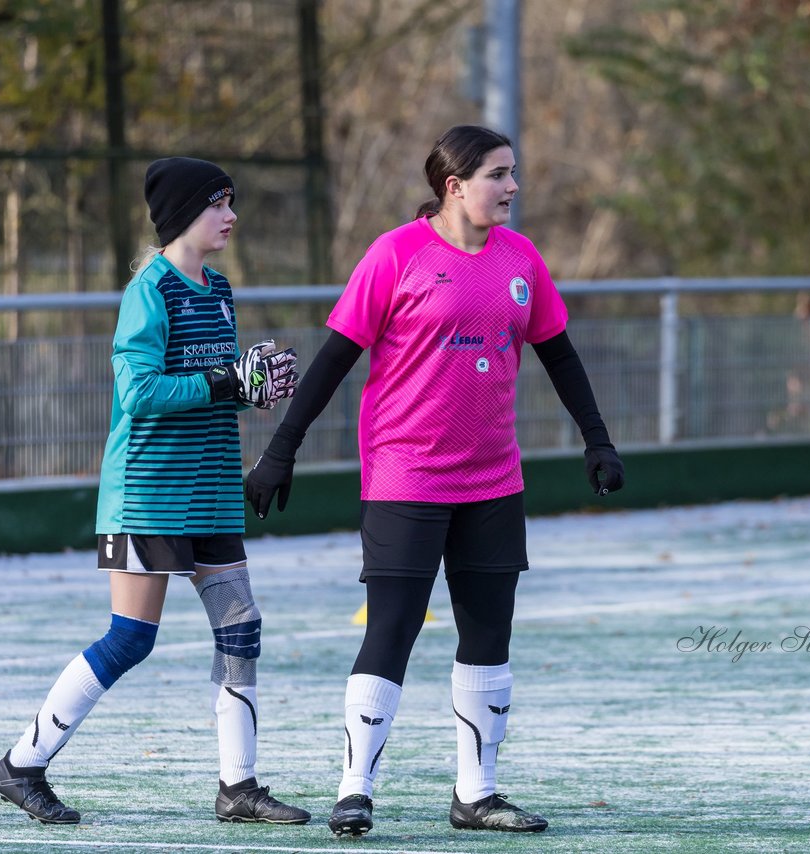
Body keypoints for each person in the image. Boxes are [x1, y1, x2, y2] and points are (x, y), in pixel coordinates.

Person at [244, 125, 625, 837]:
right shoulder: (396, 255)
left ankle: (476, 795)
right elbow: (332, 360)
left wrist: (597, 440)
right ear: (454, 185)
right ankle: (354, 789)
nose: (512, 187)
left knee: (489, 633)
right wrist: (281, 450)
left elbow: (561, 357)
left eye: (513, 173)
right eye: (498, 174)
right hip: (405, 475)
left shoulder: (522, 259)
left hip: (493, 480)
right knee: (391, 628)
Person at [0, 157, 310, 827]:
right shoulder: (148, 291)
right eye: (220, 203)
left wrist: (254, 391)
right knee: (131, 638)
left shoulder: (218, 288)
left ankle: (238, 787)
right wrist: (226, 381)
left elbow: (212, 385)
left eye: (231, 202)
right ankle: (21, 765)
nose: (231, 215)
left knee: (241, 627)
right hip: (151, 492)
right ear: (185, 213)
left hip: (211, 489)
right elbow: (138, 393)